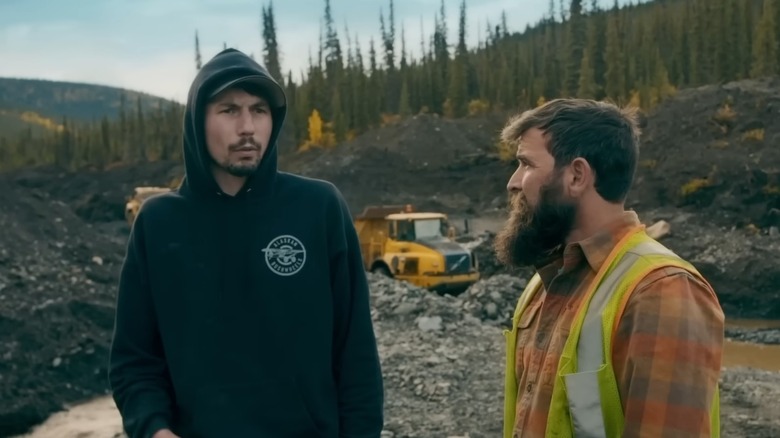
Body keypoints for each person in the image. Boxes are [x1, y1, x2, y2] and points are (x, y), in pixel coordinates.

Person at [108, 48, 384, 438]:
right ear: (197, 120)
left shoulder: (318, 208)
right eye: (228, 110)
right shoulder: (158, 223)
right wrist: (154, 429)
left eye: (259, 110)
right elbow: (134, 362)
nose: (247, 127)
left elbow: (356, 356)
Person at [494, 98, 724, 438]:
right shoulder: (544, 283)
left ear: (576, 176)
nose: (514, 182)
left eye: (526, 164)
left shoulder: (660, 291)